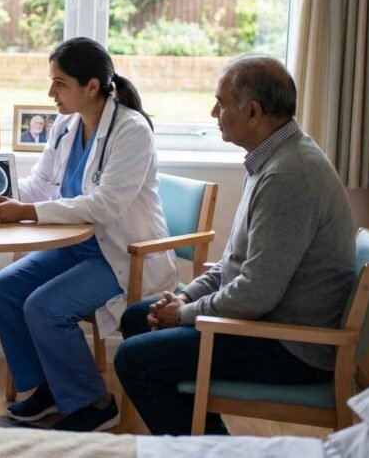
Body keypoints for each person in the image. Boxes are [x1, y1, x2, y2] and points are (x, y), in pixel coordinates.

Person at [114, 55, 355, 436]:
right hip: (267, 322)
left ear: (253, 112)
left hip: (290, 345)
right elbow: (234, 264)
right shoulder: (271, 160)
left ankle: (211, 448)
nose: (214, 112)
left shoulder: (289, 177)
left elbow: (256, 293)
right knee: (137, 319)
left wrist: (186, 312)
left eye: (221, 103)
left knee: (134, 360)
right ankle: (203, 439)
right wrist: (186, 297)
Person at [0, 37, 177, 432]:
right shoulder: (65, 125)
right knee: (4, 288)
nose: (51, 93)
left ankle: (96, 403)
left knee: (45, 308)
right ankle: (50, 388)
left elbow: (105, 205)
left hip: (122, 254)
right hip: (75, 247)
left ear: (92, 86)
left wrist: (26, 212)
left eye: (60, 83)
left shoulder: (131, 130)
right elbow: (41, 185)